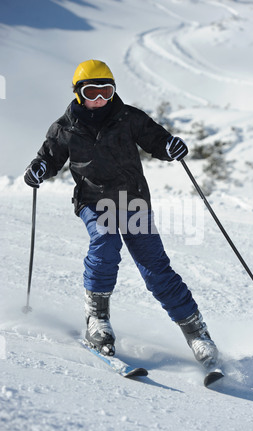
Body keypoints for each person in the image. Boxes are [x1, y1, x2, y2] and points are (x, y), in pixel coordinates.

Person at [24, 59, 218, 369]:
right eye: (92, 91)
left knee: (156, 270)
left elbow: (156, 139)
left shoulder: (129, 117)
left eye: (107, 90)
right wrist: (39, 169)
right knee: (105, 243)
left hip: (133, 201)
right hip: (93, 201)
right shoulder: (65, 127)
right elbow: (50, 156)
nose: (100, 98)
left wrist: (170, 146)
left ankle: (197, 332)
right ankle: (97, 318)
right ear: (78, 93)